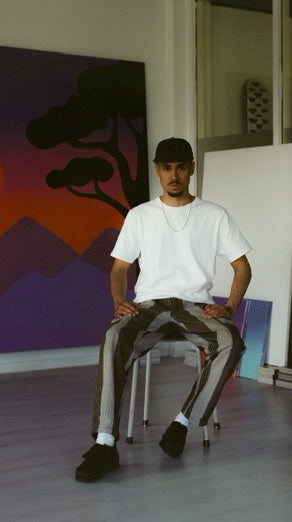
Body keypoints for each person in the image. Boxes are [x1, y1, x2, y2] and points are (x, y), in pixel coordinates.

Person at [75, 137, 252, 482]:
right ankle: (105, 444)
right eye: (167, 168)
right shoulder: (140, 215)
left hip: (194, 304)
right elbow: (119, 269)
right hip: (149, 304)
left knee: (231, 341)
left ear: (191, 170)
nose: (174, 175)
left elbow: (242, 267)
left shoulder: (214, 214)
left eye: (181, 168)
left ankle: (181, 423)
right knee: (114, 337)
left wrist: (230, 306)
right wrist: (119, 301)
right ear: (157, 170)